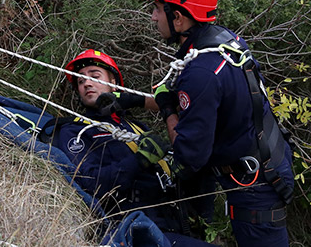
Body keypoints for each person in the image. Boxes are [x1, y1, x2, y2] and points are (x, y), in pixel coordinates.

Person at [145, 0, 294, 247]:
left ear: (177, 19)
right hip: (268, 158)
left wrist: (167, 109)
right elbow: (211, 103)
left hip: (256, 184)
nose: (153, 17)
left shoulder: (201, 72)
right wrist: (135, 100)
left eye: (156, 9)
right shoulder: (223, 41)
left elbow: (189, 156)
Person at [51, 49, 213, 247]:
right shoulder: (75, 131)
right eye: (80, 81)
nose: (87, 83)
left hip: (173, 225)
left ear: (115, 84)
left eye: (94, 76)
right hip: (132, 230)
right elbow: (87, 183)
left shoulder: (136, 128)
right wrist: (138, 161)